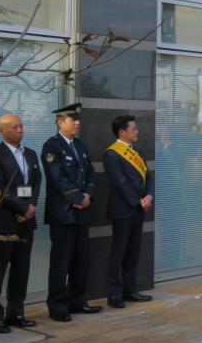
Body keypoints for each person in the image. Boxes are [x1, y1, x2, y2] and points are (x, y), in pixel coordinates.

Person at [41, 103, 101, 322]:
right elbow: (56, 177)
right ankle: (57, 305)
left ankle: (77, 301)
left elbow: (91, 173)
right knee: (61, 262)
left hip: (81, 213)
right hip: (63, 215)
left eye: (77, 120)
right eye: (71, 120)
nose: (77, 123)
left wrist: (87, 197)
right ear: (60, 122)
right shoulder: (51, 146)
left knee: (80, 260)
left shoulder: (81, 146)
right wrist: (77, 198)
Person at [0, 114, 42, 334]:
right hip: (4, 222)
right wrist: (22, 207)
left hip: (25, 221)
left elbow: (35, 182)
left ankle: (16, 313)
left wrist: (30, 207)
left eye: (21, 126)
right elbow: (0, 187)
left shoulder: (29, 153)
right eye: (14, 127)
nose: (20, 129)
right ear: (2, 131)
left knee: (21, 269)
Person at [103, 115, 154, 308]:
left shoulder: (138, 151)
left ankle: (130, 290)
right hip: (122, 210)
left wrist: (149, 195)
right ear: (121, 132)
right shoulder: (111, 154)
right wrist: (138, 201)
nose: (137, 131)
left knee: (133, 252)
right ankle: (114, 293)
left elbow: (148, 177)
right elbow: (120, 183)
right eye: (133, 128)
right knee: (119, 252)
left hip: (139, 208)